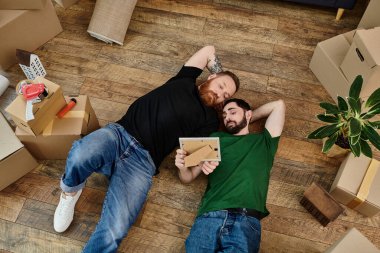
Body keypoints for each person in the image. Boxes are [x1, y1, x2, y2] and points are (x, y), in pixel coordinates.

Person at [53, 46, 240, 253]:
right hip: (118, 134)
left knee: (116, 230)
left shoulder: (210, 121)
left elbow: (186, 176)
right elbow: (208, 50)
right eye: (221, 85)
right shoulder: (184, 80)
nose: (221, 94)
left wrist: (193, 163)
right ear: (210, 76)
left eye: (226, 95)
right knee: (81, 153)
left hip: (142, 163)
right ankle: (70, 192)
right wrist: (222, 75)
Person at [175, 98, 285, 253]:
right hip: (209, 216)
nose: (227, 118)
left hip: (246, 220)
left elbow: (278, 105)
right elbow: (187, 177)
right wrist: (182, 167)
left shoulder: (264, 142)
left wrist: (248, 118)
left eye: (232, 112)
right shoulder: (216, 138)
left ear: (248, 114)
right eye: (225, 115)